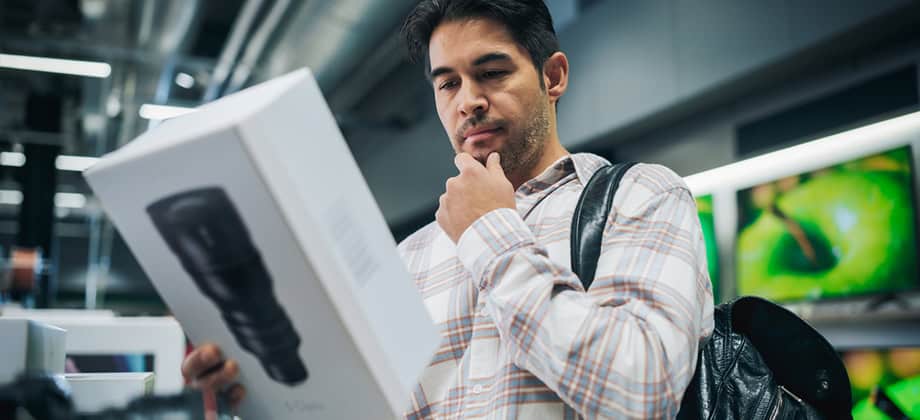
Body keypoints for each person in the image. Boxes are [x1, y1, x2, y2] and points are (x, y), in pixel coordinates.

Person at [181, 0, 714, 417]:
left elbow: (643, 392)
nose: (468, 101)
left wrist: (490, 234)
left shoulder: (642, 197)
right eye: (448, 83)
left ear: (552, 76)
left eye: (492, 72)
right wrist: (262, 391)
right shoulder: (409, 258)